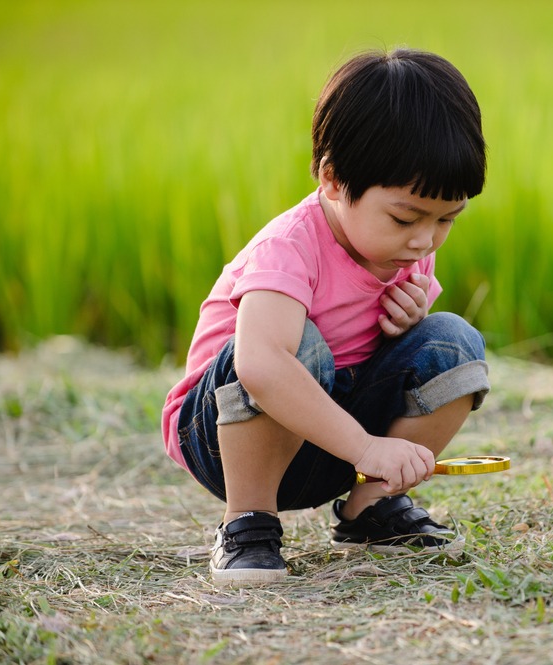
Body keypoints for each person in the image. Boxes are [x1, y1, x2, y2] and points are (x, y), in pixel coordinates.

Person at [161, 47, 490, 586]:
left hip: (327, 437)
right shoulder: (287, 250)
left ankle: (371, 508)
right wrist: (366, 447)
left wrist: (408, 325)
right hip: (225, 435)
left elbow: (387, 344)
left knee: (454, 341)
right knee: (296, 347)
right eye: (407, 216)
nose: (425, 240)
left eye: (447, 219)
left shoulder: (406, 244)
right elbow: (261, 366)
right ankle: (246, 522)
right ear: (334, 181)